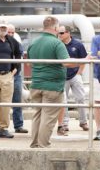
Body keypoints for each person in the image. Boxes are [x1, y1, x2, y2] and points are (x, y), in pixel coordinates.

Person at [27, 16, 79, 148]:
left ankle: (34, 144)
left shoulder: (33, 43)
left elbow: (29, 64)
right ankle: (43, 145)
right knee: (48, 118)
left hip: (36, 84)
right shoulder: (57, 43)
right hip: (53, 86)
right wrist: (84, 60)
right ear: (55, 28)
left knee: (37, 116)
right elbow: (67, 62)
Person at [56, 26, 89, 135]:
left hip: (75, 74)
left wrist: (79, 72)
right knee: (63, 101)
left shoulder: (78, 44)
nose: (59, 35)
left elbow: (84, 58)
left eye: (61, 33)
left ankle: (83, 122)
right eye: (58, 33)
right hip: (62, 75)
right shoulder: (57, 44)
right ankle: (64, 124)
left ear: (68, 33)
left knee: (81, 98)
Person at [7, 23, 27, 134]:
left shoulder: (17, 44)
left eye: (12, 32)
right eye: (8, 32)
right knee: (0, 101)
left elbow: (19, 59)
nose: (10, 34)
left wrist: (14, 71)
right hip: (3, 74)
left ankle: (18, 125)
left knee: (17, 100)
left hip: (16, 74)